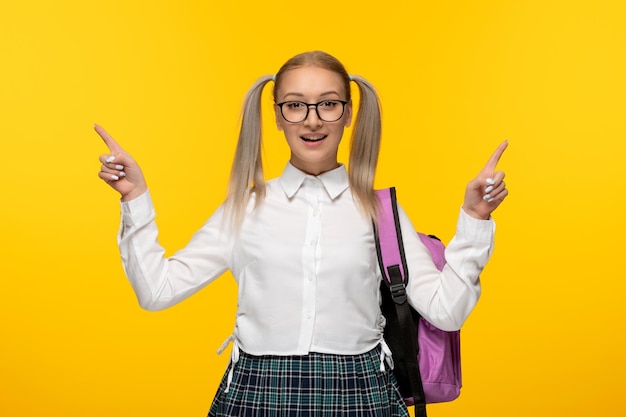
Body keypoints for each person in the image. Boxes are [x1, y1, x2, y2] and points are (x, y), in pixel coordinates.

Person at [96, 50, 508, 417]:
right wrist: (135, 198)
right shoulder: (246, 207)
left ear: (348, 113)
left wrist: (475, 218)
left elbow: (446, 311)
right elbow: (157, 291)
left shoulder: (380, 210)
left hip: (359, 392)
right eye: (295, 105)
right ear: (276, 115)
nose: (312, 120)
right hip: (259, 391)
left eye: (328, 104)